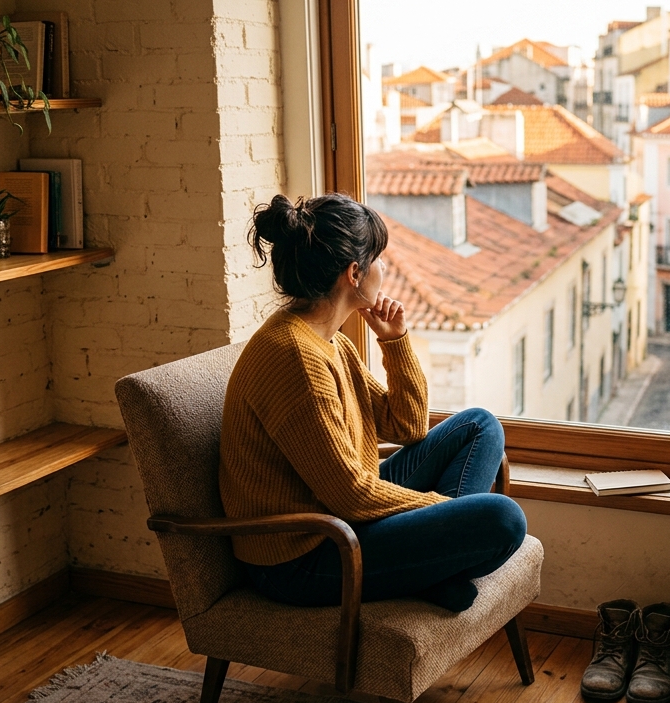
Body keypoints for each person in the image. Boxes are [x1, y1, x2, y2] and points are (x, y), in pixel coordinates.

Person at [218, 193, 526, 613]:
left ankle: (435, 570)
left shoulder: (329, 343)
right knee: (502, 519)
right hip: (305, 555)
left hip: (341, 513)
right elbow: (351, 497)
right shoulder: (295, 356)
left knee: (479, 425)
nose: (385, 269)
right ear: (355, 273)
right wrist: (451, 513)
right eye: (379, 258)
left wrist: (394, 342)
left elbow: (407, 427)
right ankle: (437, 568)